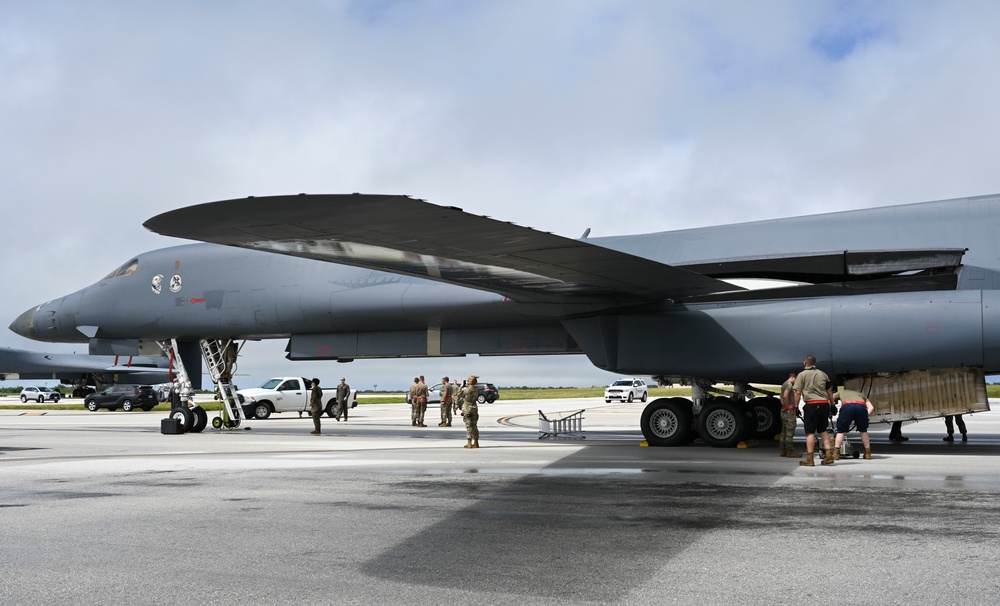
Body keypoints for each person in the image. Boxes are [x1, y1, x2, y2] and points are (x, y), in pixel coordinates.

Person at [794, 355, 836, 466]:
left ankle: (810, 459)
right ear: (814, 363)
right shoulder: (823, 374)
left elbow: (797, 392)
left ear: (805, 362)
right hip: (824, 405)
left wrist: (796, 407)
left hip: (811, 405)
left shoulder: (802, 375)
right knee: (823, 430)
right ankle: (829, 455)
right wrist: (832, 404)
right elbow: (829, 390)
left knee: (810, 433)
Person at [832, 389, 874, 460]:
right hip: (861, 407)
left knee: (841, 431)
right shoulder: (861, 395)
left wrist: (832, 407)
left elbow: (830, 398)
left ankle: (836, 454)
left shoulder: (841, 392)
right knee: (863, 431)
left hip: (847, 406)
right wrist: (864, 416)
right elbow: (871, 408)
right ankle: (868, 453)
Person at [778, 372, 800, 458]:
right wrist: (788, 406)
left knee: (784, 431)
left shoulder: (784, 383)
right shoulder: (789, 385)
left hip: (783, 410)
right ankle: (790, 451)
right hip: (789, 411)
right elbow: (785, 395)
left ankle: (783, 450)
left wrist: (783, 405)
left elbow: (781, 396)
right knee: (790, 432)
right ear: (793, 377)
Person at [461, 375, 480, 448]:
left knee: (469, 426)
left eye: (468, 379)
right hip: (474, 408)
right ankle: (476, 442)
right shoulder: (476, 389)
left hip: (467, 409)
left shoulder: (467, 390)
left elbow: (459, 395)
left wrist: (462, 387)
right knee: (474, 426)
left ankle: (469, 443)